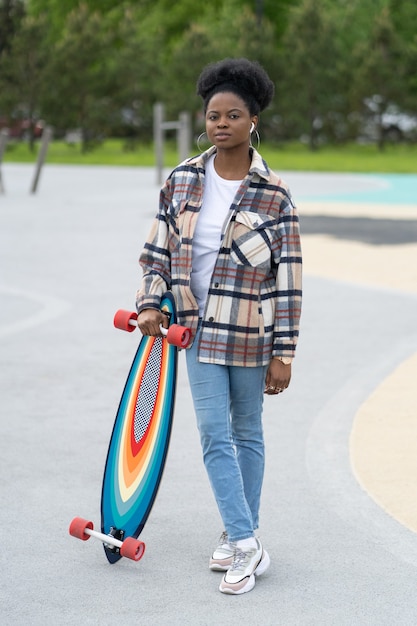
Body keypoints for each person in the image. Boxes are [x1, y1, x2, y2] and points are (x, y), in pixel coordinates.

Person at [136, 58, 302, 595]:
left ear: (254, 119)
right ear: (204, 119)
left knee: (247, 432)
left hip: (252, 333)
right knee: (213, 432)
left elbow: (289, 280)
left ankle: (236, 536)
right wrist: (150, 303)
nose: (221, 123)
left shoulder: (273, 194)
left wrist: (285, 352)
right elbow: (157, 251)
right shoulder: (182, 179)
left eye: (233, 115)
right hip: (196, 331)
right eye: (213, 115)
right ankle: (250, 544)